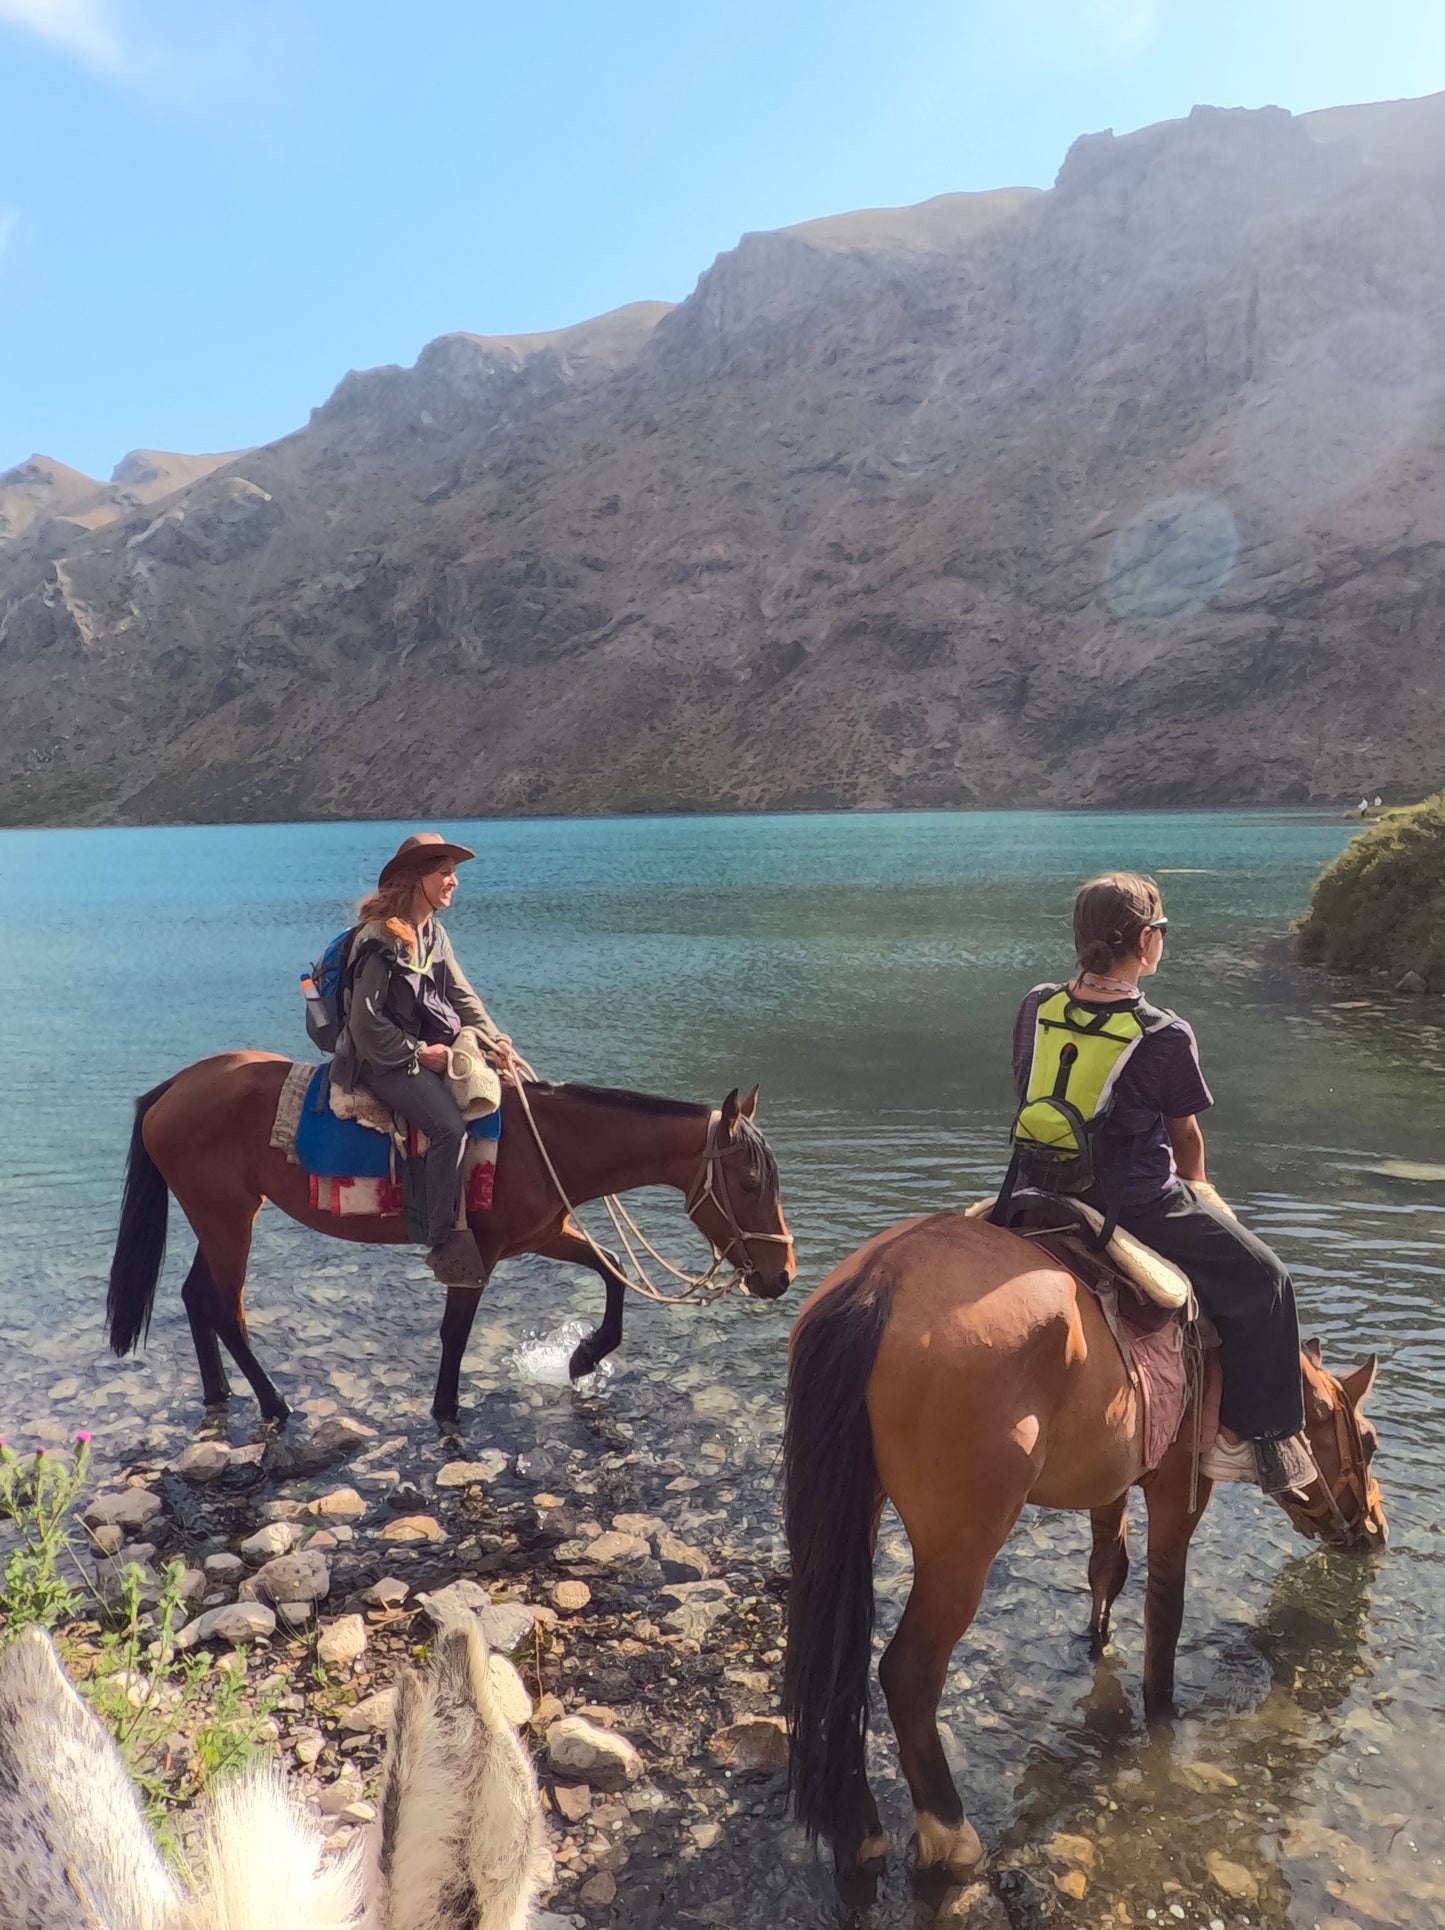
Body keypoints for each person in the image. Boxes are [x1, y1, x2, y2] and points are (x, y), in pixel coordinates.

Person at [1009, 872, 1314, 1494]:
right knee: (1267, 1281)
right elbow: (1187, 1139)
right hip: (1136, 1204)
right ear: (1146, 940)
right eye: (1163, 931)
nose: (1163, 940)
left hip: (1032, 1188)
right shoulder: (1164, 1033)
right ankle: (1248, 1439)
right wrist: (1200, 1189)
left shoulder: (1036, 1004)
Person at [332, 832, 520, 1285]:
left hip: (416, 1053)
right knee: (448, 1127)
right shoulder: (381, 938)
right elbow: (366, 1023)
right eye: (445, 872)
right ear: (418, 878)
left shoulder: (434, 933)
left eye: (453, 873)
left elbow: (462, 996)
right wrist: (421, 1054)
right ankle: (443, 1239)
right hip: (379, 1061)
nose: (453, 881)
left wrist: (498, 1043)